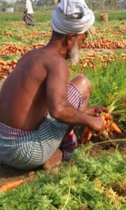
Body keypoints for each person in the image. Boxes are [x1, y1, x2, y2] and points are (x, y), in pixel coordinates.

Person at [0, 0, 108, 171]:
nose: (83, 45)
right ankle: (60, 152)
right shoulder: (57, 62)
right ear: (71, 38)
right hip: (23, 152)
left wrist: (85, 112)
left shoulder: (31, 55)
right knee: (83, 84)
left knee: (67, 98)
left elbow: (38, 107)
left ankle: (55, 148)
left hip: (2, 145)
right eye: (83, 39)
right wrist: (90, 121)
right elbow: (58, 109)